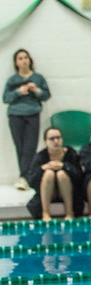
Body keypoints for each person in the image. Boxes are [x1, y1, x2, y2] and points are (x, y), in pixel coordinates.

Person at [4, 49, 51, 190]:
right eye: (20, 58)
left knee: (30, 147)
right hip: (15, 115)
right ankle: (25, 176)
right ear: (16, 62)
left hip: (32, 114)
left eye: (26, 57)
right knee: (20, 147)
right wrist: (18, 92)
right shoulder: (12, 80)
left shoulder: (38, 78)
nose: (23, 60)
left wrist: (36, 90)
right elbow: (5, 98)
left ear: (30, 60)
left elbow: (46, 95)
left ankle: (25, 176)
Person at [26, 126, 83, 220]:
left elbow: (80, 176)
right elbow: (31, 181)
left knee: (61, 174)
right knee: (49, 174)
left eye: (58, 138)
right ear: (45, 142)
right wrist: (42, 168)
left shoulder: (70, 153)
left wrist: (64, 166)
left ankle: (69, 212)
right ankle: (45, 213)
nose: (56, 141)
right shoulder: (40, 156)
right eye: (52, 139)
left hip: (68, 191)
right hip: (48, 193)